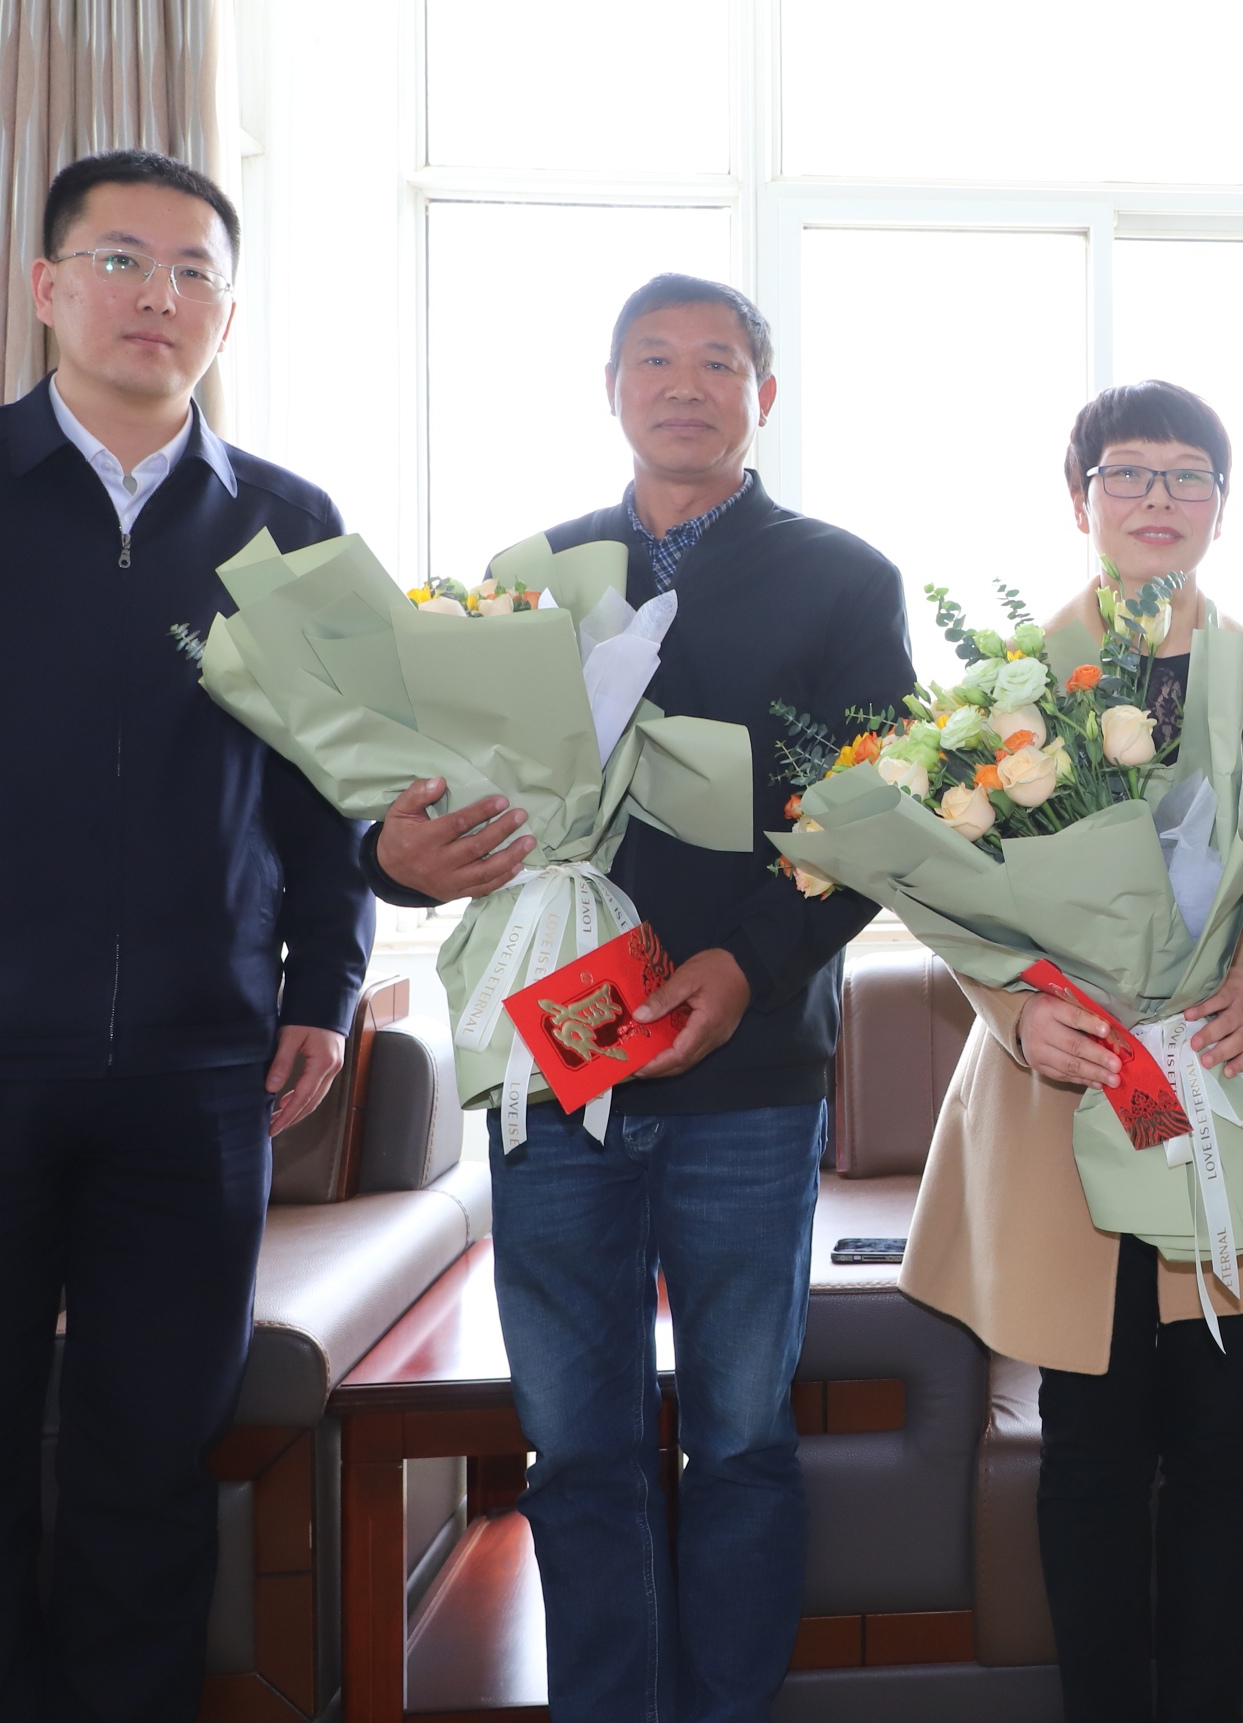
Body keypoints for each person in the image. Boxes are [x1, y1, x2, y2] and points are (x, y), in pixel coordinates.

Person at [0, 151, 371, 1722]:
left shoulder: (290, 524)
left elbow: (333, 788)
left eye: (192, 273)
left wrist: (324, 984)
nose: (157, 296)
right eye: (120, 262)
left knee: (150, 1476)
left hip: (197, 1075)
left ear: (228, 311)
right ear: (45, 288)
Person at [363, 272, 913, 1722]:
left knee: (740, 1441)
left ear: (763, 397)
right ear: (611, 389)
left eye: (718, 362)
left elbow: (872, 820)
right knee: (578, 1449)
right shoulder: (527, 581)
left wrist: (746, 966)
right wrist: (395, 859)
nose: (685, 384)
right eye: (654, 359)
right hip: (560, 1067)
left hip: (750, 1075)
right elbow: (420, 798)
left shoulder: (842, 579)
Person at [899, 380, 1243, 1723]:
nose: (1157, 498)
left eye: (1187, 476)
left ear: (1222, 508)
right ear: (1081, 501)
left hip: (1228, 1093)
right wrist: (1020, 1011)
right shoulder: (1004, 686)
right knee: (1090, 1448)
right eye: (1128, 473)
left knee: (1227, 1442)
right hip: (1071, 1108)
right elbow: (946, 886)